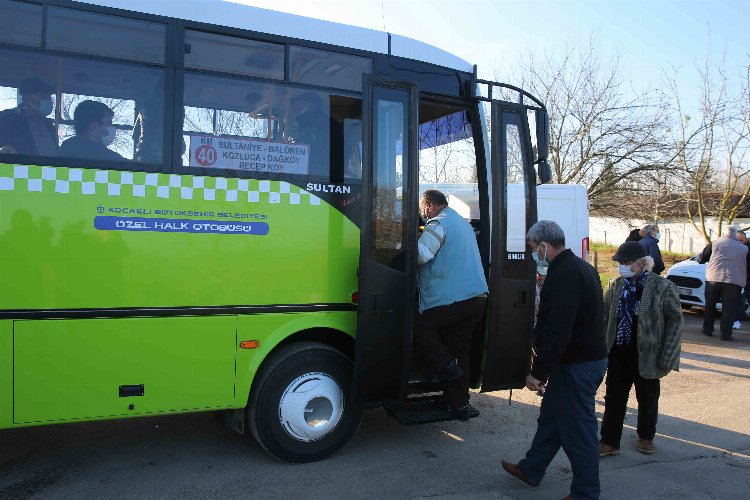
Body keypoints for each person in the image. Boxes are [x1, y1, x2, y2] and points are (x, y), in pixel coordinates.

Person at [501, 220, 608, 500]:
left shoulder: (565, 276)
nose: (533, 253)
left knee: (579, 432)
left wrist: (538, 373)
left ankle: (585, 493)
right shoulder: (578, 268)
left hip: (577, 365)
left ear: (545, 247)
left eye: (534, 248)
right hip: (577, 362)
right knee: (551, 420)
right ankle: (531, 469)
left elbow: (559, 332)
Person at [599, 241, 683, 457]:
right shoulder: (616, 285)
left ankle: (646, 437)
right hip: (618, 352)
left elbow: (675, 321)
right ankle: (609, 441)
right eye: (620, 262)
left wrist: (668, 355)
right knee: (614, 398)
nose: (622, 267)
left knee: (647, 398)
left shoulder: (662, 287)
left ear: (643, 263)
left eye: (627, 263)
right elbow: (605, 317)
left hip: (648, 354)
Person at [411, 189, 488, 421]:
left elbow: (421, 254)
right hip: (477, 297)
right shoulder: (462, 223)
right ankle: (459, 404)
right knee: (459, 349)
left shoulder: (438, 223)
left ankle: (445, 364)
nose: (423, 213)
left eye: (423, 208)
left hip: (453, 298)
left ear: (430, 205)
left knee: (419, 325)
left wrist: (401, 242)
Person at [702, 225, 748, 341]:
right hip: (733, 281)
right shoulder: (744, 248)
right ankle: (725, 334)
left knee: (710, 305)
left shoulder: (715, 243)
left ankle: (707, 330)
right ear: (735, 234)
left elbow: (703, 257)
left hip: (713, 279)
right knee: (729, 309)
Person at [0, 77, 58, 156]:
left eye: (49, 98)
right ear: (27, 98)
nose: (48, 101)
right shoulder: (6, 120)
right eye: (43, 97)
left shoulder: (49, 126)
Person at [59, 100, 125, 162]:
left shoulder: (63, 150)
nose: (112, 128)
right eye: (109, 124)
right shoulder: (110, 159)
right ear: (94, 126)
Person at [733, 230, 750, 330]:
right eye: (737, 240)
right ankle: (736, 321)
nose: (739, 242)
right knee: (735, 300)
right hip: (736, 278)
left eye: (741, 240)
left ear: (745, 240)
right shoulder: (732, 248)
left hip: (748, 278)